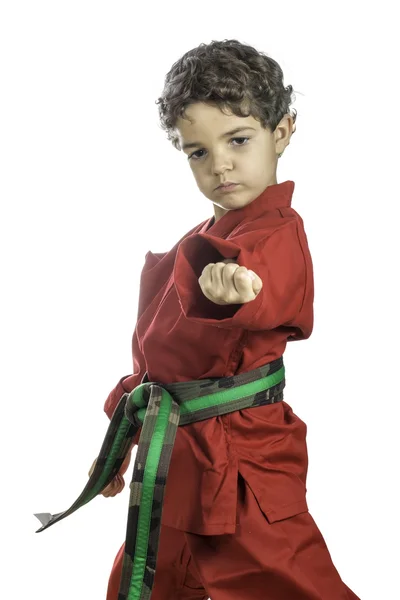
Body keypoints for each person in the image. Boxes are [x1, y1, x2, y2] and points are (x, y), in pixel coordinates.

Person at [92, 39, 360, 599]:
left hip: (240, 471)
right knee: (141, 585)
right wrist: (126, 432)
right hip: (172, 464)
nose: (221, 166)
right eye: (198, 152)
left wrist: (237, 288)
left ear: (281, 131)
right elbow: (156, 366)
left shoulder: (275, 234)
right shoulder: (199, 240)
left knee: (291, 586)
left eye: (239, 140)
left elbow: (264, 286)